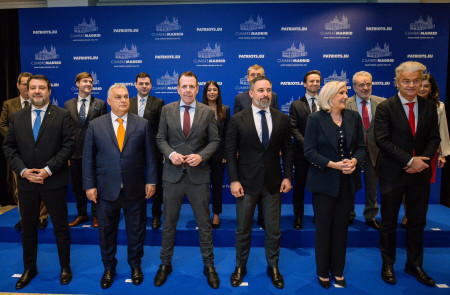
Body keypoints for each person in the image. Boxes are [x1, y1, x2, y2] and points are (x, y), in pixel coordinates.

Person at [3, 74, 75, 290]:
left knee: (61, 228)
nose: (36, 91)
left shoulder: (62, 115)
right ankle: (29, 268)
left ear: (49, 91)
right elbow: (9, 147)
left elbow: (68, 145)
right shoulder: (17, 117)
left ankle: (65, 267)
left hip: (53, 182)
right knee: (27, 229)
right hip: (26, 183)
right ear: (26, 90)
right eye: (32, 87)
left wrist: (48, 170)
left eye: (41, 88)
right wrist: (23, 171)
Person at [82, 83, 157, 289]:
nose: (123, 100)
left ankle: (135, 265)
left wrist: (151, 181)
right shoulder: (96, 125)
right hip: (106, 189)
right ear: (109, 101)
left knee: (136, 230)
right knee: (106, 232)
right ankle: (108, 267)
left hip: (135, 188)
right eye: (118, 97)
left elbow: (151, 157)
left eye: (125, 96)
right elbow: (88, 158)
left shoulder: (142, 124)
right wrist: (89, 185)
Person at [374, 61, 440, 286]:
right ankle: (388, 264)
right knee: (389, 222)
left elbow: (434, 139)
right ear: (397, 82)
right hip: (393, 174)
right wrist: (409, 160)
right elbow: (382, 140)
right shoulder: (385, 107)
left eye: (416, 81)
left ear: (422, 81)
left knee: (417, 222)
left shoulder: (430, 107)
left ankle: (414, 264)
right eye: (406, 81)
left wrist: (421, 162)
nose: (412, 85)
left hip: (420, 175)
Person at [226, 76, 293, 289]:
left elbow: (288, 150)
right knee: (243, 229)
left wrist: (288, 176)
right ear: (251, 93)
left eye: (269, 90)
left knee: (274, 229)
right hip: (245, 184)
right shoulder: (238, 119)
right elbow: (230, 151)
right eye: (261, 90)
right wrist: (234, 180)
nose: (265, 94)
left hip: (273, 183)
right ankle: (240, 266)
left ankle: (273, 266)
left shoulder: (282, 118)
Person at [155, 71, 220, 289]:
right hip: (172, 176)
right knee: (169, 224)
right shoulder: (166, 110)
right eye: (184, 86)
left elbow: (214, 140)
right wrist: (171, 153)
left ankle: (208, 265)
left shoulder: (207, 112)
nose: (188, 90)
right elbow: (160, 138)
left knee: (204, 224)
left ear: (196, 88)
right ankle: (165, 264)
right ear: (177, 88)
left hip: (198, 176)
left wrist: (201, 155)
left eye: (192, 86)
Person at [304, 81, 365, 289]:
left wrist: (354, 161)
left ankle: (337, 271)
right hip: (323, 183)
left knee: (341, 229)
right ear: (329, 96)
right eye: (342, 92)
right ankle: (322, 272)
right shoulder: (315, 119)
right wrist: (334, 165)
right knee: (323, 229)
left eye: (346, 92)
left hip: (347, 183)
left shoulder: (353, 117)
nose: (346, 96)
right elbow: (309, 152)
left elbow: (361, 147)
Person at [400, 74, 450, 228]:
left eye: (426, 86)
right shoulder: (403, 104)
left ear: (431, 89)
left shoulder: (438, 106)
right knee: (404, 185)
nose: (421, 88)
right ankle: (408, 215)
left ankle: (418, 215)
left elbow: (441, 131)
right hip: (407, 152)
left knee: (421, 186)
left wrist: (442, 154)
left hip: (428, 152)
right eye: (419, 85)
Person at [0, 72, 48, 230]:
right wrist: (19, 142)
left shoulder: (45, 106)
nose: (29, 89)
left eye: (32, 85)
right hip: (19, 157)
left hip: (41, 155)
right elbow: (3, 126)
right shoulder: (9, 104)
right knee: (19, 189)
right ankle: (25, 217)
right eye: (26, 85)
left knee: (41, 186)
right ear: (18, 86)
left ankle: (41, 217)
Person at [233, 64, 279, 229]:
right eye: (253, 74)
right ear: (248, 78)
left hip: (268, 156)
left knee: (267, 194)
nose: (256, 76)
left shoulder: (272, 96)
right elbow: (235, 128)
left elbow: (276, 121)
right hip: (249, 157)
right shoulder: (240, 98)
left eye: (259, 74)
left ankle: (263, 218)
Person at [65, 72, 106, 228]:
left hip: (95, 153)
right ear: (77, 84)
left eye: (90, 81)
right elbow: (67, 130)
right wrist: (67, 154)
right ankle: (82, 214)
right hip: (75, 153)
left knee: (95, 185)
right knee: (77, 187)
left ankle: (96, 215)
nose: (88, 84)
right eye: (85, 81)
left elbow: (105, 130)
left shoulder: (100, 104)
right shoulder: (68, 104)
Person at [346, 71, 385, 231]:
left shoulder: (382, 103)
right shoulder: (345, 103)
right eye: (361, 85)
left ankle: (371, 215)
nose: (365, 88)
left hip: (375, 152)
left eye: (368, 84)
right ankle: (348, 214)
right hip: (352, 153)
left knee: (371, 187)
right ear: (354, 87)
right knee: (350, 186)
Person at [129, 72, 165, 230]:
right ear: (135, 85)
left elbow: (161, 128)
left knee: (155, 184)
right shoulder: (128, 102)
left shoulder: (158, 102)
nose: (144, 86)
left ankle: (157, 215)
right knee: (135, 184)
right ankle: (138, 215)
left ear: (151, 85)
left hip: (153, 151)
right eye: (141, 83)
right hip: (132, 151)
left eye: (147, 84)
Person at [289, 70, 321, 230]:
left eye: (317, 81)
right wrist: (308, 147)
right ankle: (298, 217)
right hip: (302, 154)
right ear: (304, 84)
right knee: (299, 188)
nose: (314, 84)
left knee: (320, 189)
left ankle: (319, 216)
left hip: (322, 156)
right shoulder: (296, 105)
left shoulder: (326, 103)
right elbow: (294, 129)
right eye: (311, 81)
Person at [202, 81, 230, 229]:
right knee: (202, 187)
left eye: (214, 90)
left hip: (219, 154)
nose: (212, 92)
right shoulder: (199, 109)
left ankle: (216, 214)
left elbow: (227, 133)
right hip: (202, 155)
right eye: (209, 90)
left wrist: (226, 152)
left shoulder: (225, 110)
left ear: (218, 93)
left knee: (217, 186)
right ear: (205, 93)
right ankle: (203, 214)